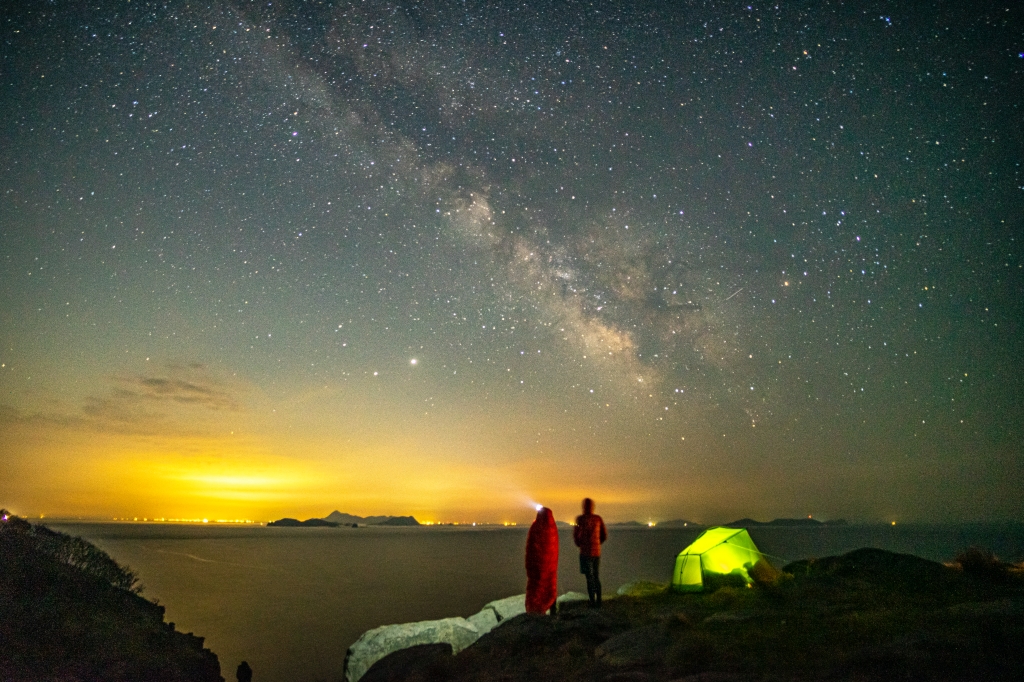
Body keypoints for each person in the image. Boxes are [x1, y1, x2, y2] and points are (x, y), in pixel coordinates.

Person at [573, 497, 607, 607]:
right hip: (596, 552)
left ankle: (592, 601)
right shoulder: (598, 519)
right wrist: (597, 543)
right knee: (596, 576)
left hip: (585, 553)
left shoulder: (580, 520)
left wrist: (580, 544)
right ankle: (599, 601)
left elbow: (576, 536)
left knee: (589, 577)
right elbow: (604, 535)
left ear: (583, 506)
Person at [525, 506, 559, 614]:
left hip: (538, 565)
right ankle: (553, 610)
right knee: (550, 586)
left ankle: (536, 611)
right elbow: (555, 546)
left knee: (537, 588)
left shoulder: (536, 528)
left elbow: (530, 547)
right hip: (551, 564)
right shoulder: (553, 527)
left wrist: (528, 565)